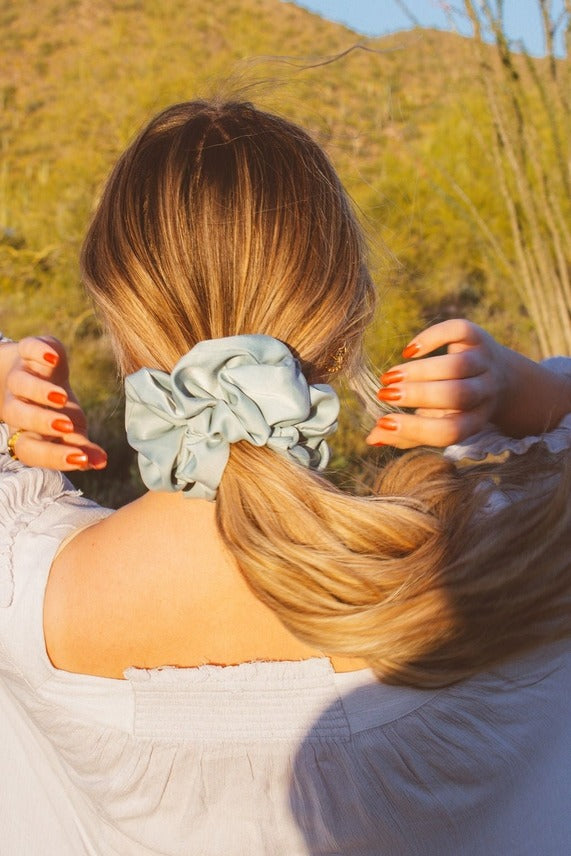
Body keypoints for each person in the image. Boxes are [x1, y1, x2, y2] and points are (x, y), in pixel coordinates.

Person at [0, 100, 569, 855]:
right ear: (347, 321)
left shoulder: (22, 589)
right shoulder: (510, 568)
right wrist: (526, 389)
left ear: (117, 321)